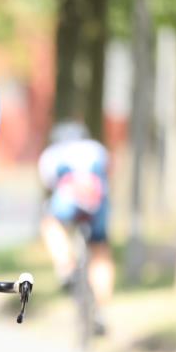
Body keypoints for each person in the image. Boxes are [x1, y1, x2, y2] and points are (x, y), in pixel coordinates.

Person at [38, 121, 113, 335]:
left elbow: (50, 183)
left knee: (50, 223)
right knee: (100, 251)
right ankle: (102, 311)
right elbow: (108, 173)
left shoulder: (52, 153)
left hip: (69, 195)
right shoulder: (97, 148)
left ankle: (66, 268)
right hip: (98, 197)